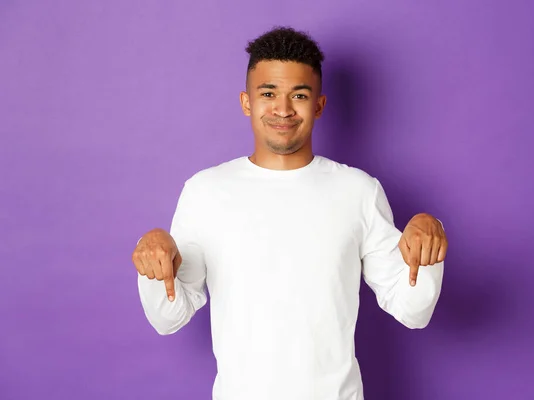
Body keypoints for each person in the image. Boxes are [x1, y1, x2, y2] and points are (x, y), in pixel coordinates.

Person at [132, 26, 447, 400]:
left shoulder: (358, 191)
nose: (282, 109)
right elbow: (168, 318)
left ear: (319, 105)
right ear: (247, 102)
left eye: (299, 95)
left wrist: (429, 235)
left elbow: (413, 310)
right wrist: (153, 260)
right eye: (268, 94)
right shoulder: (205, 192)